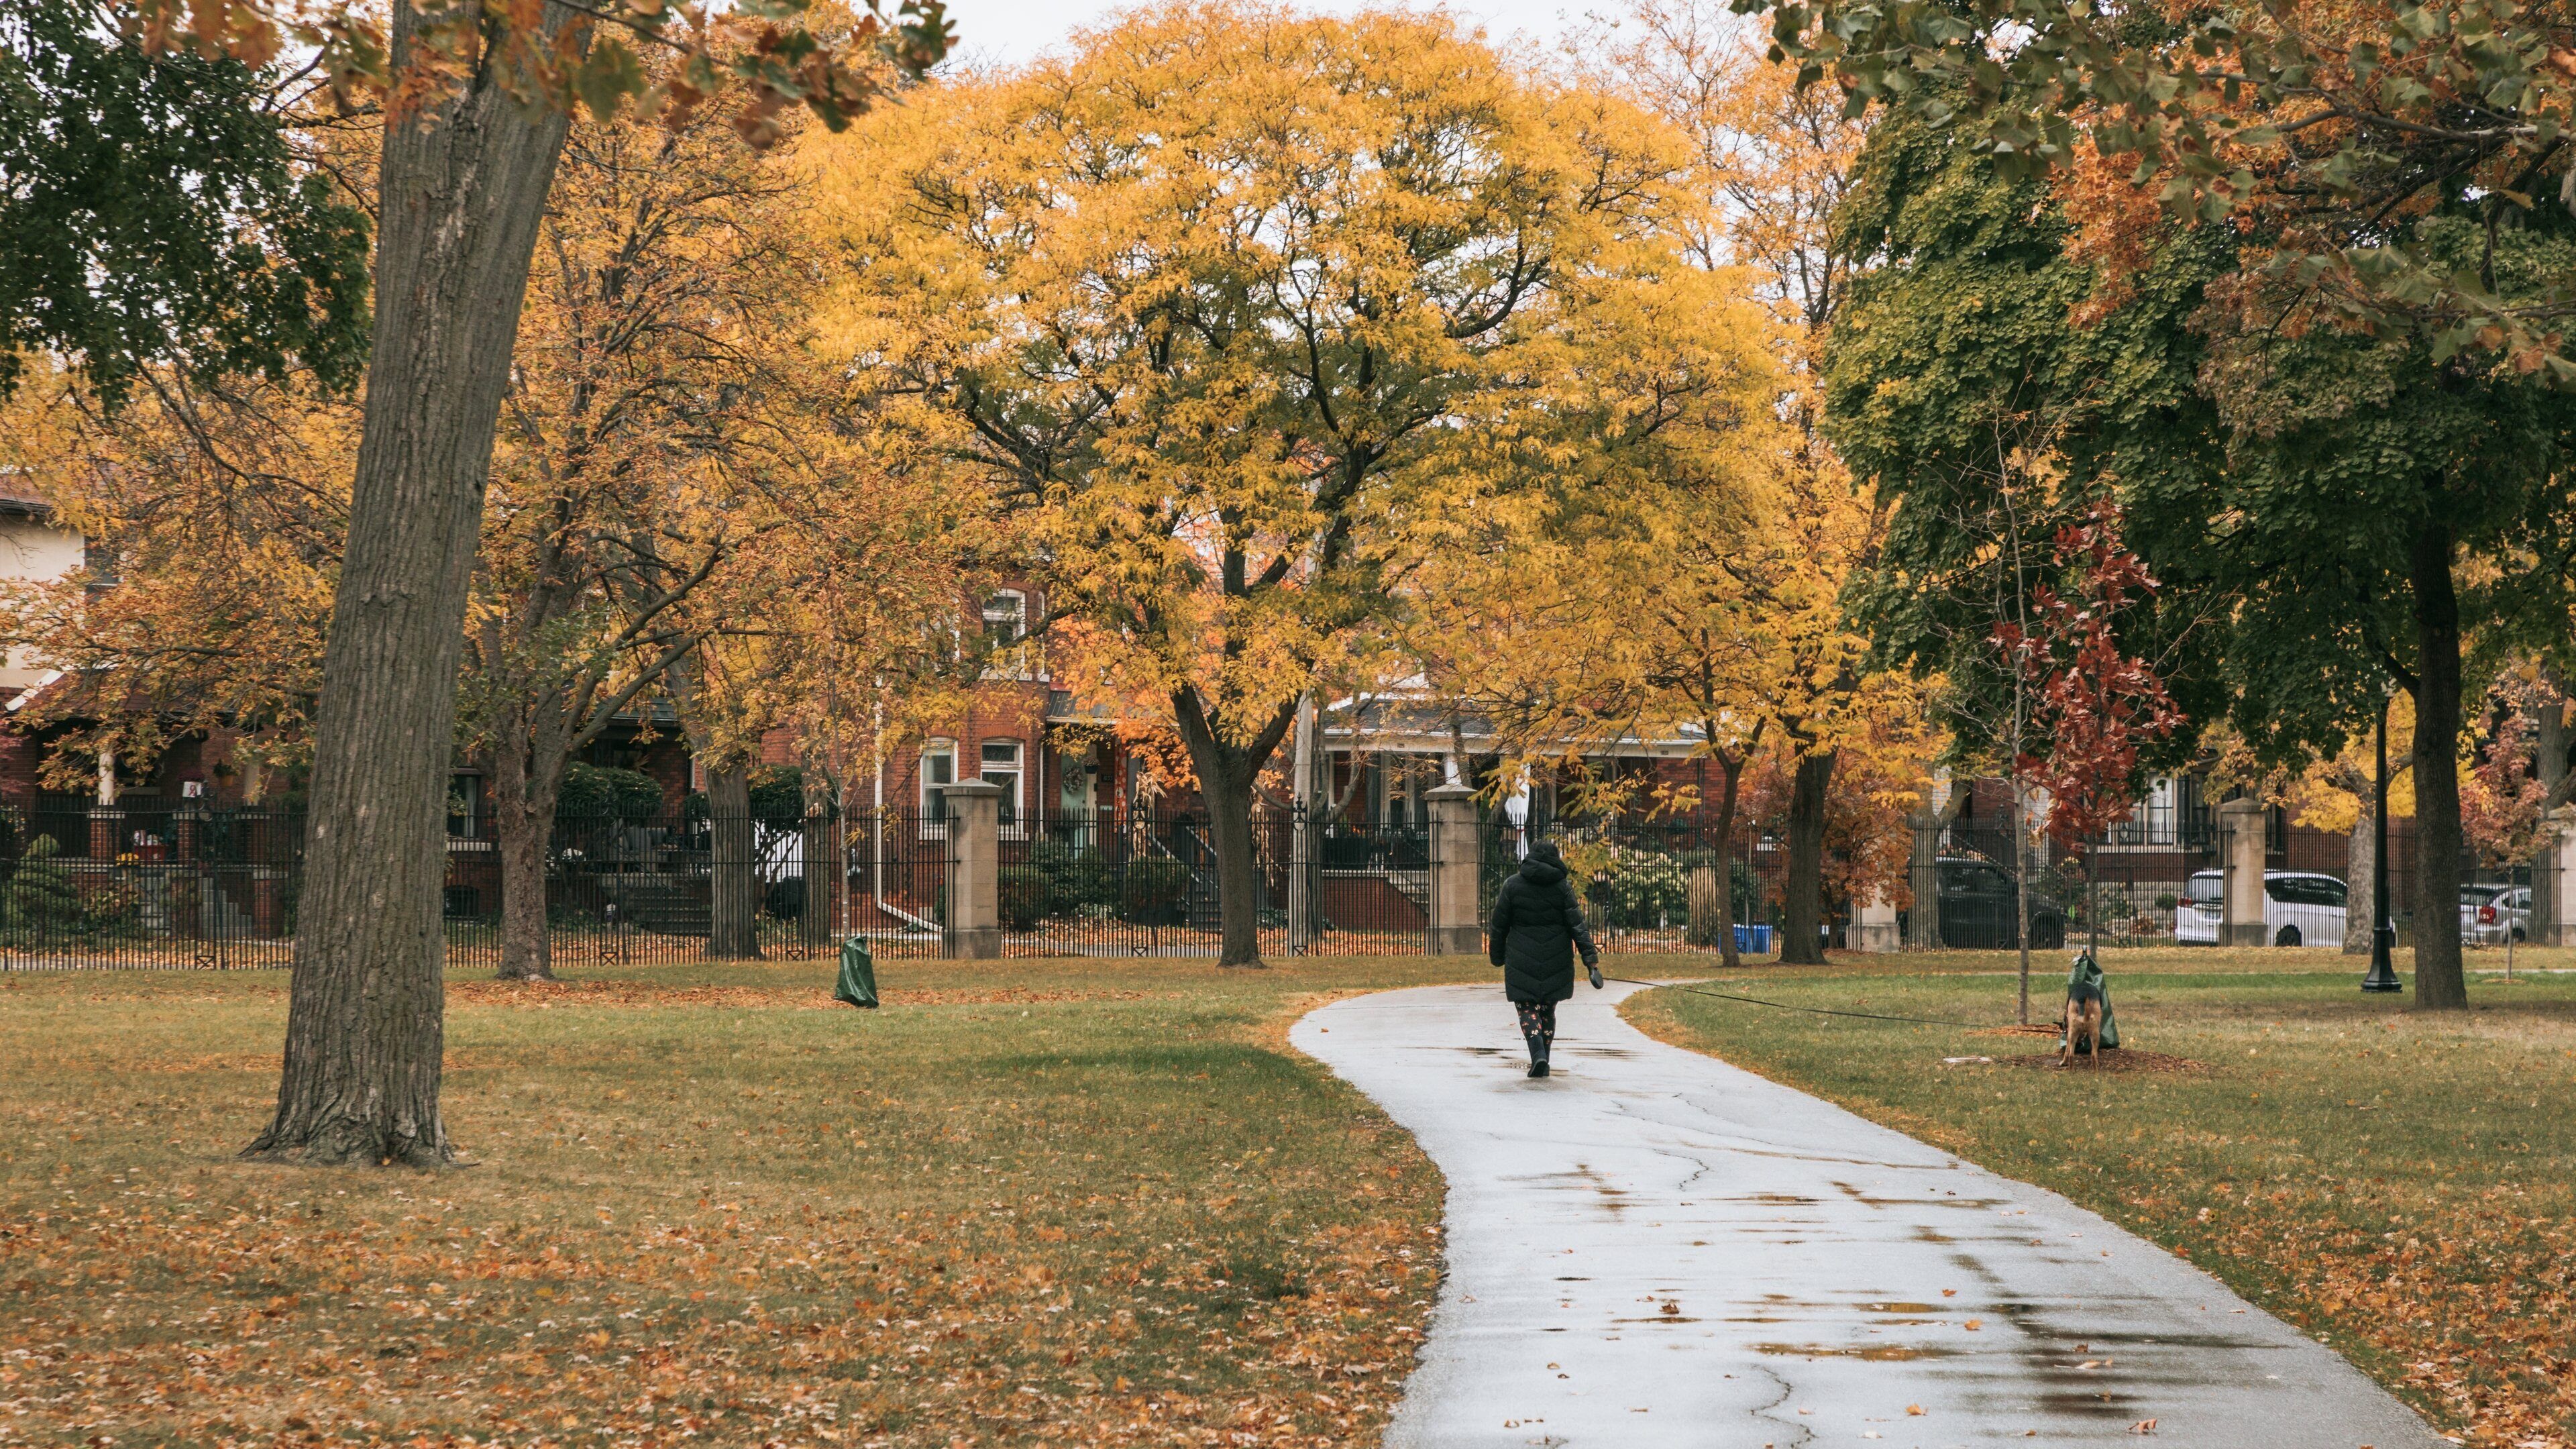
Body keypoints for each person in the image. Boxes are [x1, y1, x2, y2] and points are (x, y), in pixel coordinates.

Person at [1487, 839, 1601, 1078]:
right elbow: (1577, 925)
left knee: (1526, 1007)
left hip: (1521, 956)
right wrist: (1590, 961)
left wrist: (1497, 956)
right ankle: (1544, 1058)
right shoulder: (1562, 887)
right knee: (1548, 1009)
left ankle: (1537, 1054)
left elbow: (1499, 925)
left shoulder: (1512, 885)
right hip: (1556, 956)